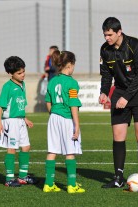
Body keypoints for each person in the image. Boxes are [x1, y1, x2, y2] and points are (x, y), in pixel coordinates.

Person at [98, 17, 138, 189]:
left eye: (110, 34)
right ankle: (118, 177)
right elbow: (106, 75)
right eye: (105, 34)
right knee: (118, 135)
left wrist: (127, 97)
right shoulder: (105, 50)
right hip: (120, 91)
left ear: (119, 32)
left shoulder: (135, 45)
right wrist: (105, 92)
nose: (107, 38)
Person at [43, 50, 85, 194]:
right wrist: (77, 125)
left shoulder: (52, 81)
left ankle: (48, 184)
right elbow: (73, 104)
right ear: (70, 64)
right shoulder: (72, 83)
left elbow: (48, 102)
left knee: (52, 150)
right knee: (70, 151)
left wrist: (54, 114)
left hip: (53, 117)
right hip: (67, 119)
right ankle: (72, 185)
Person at [0, 56, 38, 187]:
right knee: (12, 148)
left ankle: (23, 177)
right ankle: (9, 178)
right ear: (10, 73)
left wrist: (25, 118)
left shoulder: (22, 85)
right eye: (19, 73)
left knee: (26, 146)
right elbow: (0, 106)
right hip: (10, 122)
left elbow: (19, 105)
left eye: (23, 71)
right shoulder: (7, 87)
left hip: (19, 120)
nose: (23, 75)